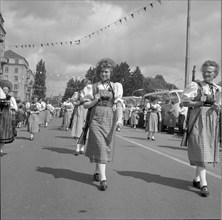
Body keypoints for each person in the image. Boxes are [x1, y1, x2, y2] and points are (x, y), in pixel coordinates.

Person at [181, 60, 221, 197]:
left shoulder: (218, 89)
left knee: (206, 150)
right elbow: (184, 102)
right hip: (198, 118)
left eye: (209, 71)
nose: (206, 73)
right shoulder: (195, 85)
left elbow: (219, 105)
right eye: (204, 71)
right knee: (202, 149)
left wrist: (217, 107)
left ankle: (197, 179)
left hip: (212, 120)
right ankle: (204, 184)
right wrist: (199, 102)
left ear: (215, 73)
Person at [82, 58, 123, 191]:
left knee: (104, 146)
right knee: (99, 145)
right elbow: (85, 105)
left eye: (106, 72)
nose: (104, 74)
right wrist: (96, 99)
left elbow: (118, 103)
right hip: (96, 117)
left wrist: (120, 119)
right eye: (102, 72)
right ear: (99, 73)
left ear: (110, 73)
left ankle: (97, 170)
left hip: (109, 118)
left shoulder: (116, 86)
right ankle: (104, 179)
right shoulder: (92, 87)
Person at [0, 80, 16, 156]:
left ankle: (1, 149)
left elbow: (15, 108)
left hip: (5, 117)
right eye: (4, 89)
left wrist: (10, 107)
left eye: (6, 90)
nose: (5, 91)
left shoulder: (11, 98)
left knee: (3, 134)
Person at [70, 90, 87, 156]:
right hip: (79, 110)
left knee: (85, 130)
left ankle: (82, 148)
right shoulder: (77, 93)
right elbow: (72, 100)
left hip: (86, 110)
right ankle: (77, 149)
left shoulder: (90, 92)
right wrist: (76, 103)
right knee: (78, 129)